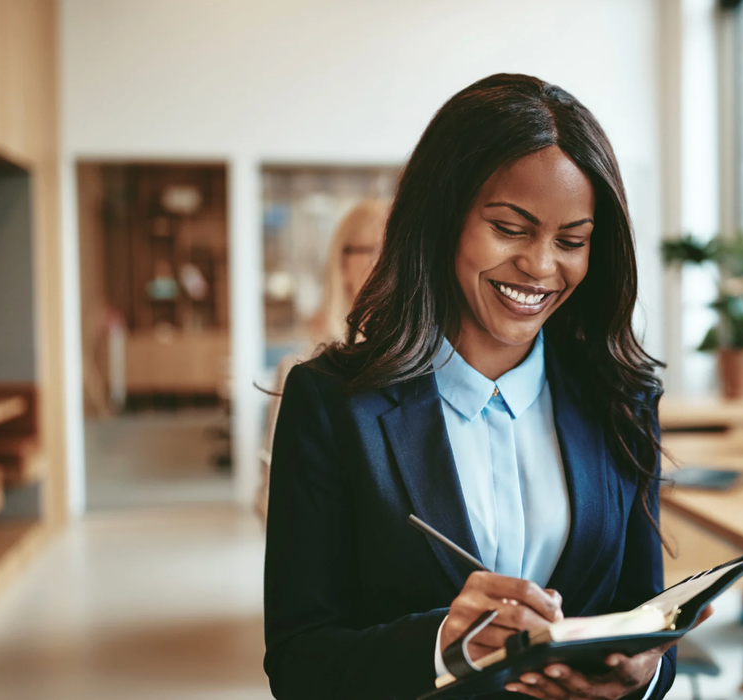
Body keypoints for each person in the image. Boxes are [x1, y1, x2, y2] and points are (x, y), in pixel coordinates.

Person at [263, 74, 683, 700]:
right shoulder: (332, 404)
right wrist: (440, 645)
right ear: (444, 218)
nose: (541, 267)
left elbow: (643, 619)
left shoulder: (621, 399)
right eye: (510, 228)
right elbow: (299, 664)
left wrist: (643, 677)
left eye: (572, 241)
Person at [256, 198, 391, 521]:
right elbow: (271, 496)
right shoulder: (302, 370)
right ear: (343, 263)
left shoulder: (426, 363)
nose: (391, 264)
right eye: (376, 250)